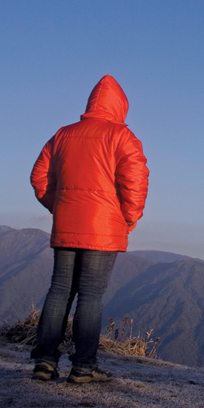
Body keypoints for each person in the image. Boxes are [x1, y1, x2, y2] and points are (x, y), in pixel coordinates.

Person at [29, 75, 149, 383]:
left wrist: (59, 206)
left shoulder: (63, 135)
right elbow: (135, 181)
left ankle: (44, 362)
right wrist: (129, 217)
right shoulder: (122, 136)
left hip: (67, 225)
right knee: (91, 296)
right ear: (120, 106)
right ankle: (83, 367)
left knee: (59, 291)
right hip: (104, 229)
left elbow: (39, 176)